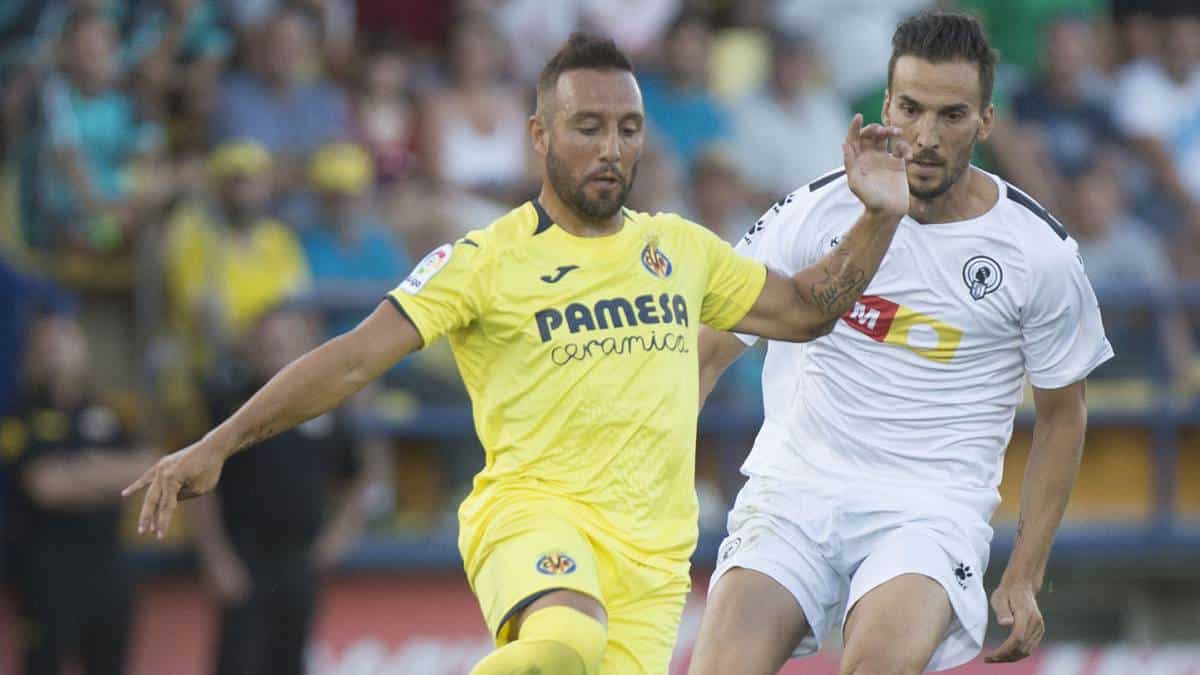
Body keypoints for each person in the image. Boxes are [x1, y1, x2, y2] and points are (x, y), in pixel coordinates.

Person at [124, 33, 914, 675]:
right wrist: (220, 440)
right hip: (535, 516)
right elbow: (354, 358)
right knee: (563, 645)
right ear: (540, 135)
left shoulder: (680, 249)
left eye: (628, 128)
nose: (611, 148)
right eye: (587, 127)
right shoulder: (485, 259)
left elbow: (806, 311)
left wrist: (878, 217)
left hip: (653, 556)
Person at [690, 11, 1112, 675]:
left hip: (928, 510)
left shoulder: (1039, 254)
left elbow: (1063, 416)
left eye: (952, 115)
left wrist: (1025, 573)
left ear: (986, 121)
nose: (926, 136)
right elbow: (708, 350)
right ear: (886, 105)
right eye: (911, 109)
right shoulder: (815, 210)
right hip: (794, 491)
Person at [188, 309, 380, 675]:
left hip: (300, 558)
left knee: (290, 660)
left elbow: (357, 475)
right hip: (245, 557)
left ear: (308, 348)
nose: (276, 350)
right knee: (239, 661)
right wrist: (217, 557)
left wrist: (341, 534)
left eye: (286, 342)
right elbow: (197, 487)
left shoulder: (325, 405)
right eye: (268, 343)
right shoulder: (229, 407)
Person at [2, 313, 155, 675]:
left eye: (65, 339)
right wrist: (107, 475)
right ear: (31, 356)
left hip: (108, 566)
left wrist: (79, 472)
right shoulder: (17, 416)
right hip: (45, 571)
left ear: (84, 349)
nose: (56, 350)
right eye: (46, 344)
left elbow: (150, 468)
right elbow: (46, 487)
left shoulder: (109, 412)